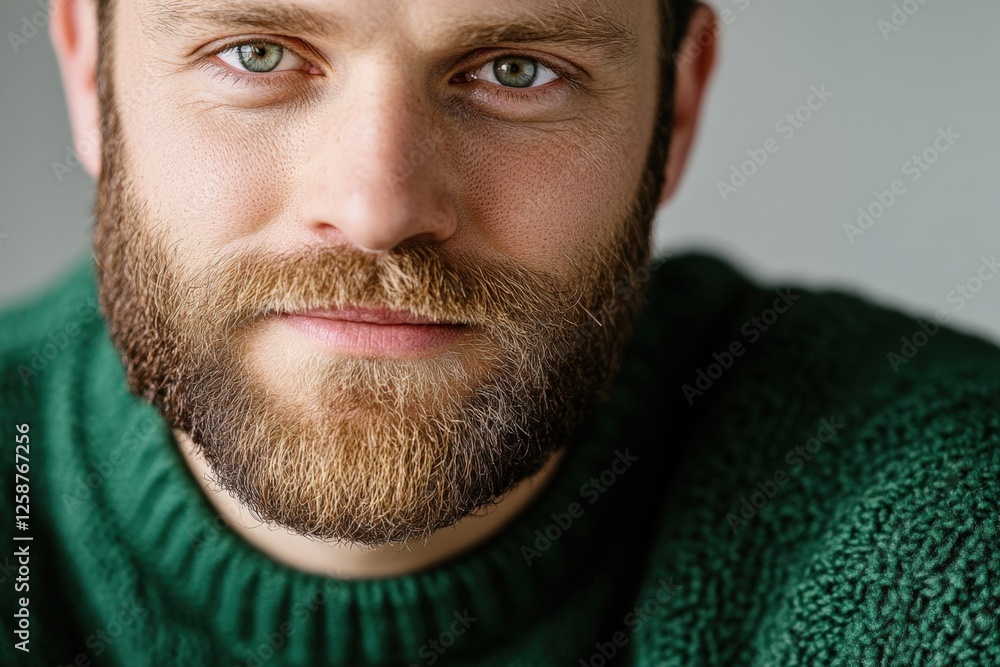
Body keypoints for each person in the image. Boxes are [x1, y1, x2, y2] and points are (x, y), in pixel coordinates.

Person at [1, 0, 997, 664]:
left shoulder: (935, 498)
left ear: (677, 107)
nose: (378, 205)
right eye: (254, 53)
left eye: (518, 70)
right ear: (91, 72)